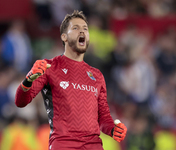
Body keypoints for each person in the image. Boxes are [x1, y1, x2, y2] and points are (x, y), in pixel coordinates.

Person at [15, 10, 127, 150]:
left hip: (94, 146)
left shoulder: (97, 75)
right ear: (64, 37)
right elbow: (20, 101)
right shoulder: (49, 67)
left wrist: (112, 129)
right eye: (76, 28)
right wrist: (28, 80)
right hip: (64, 144)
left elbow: (103, 117)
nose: (82, 32)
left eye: (85, 29)